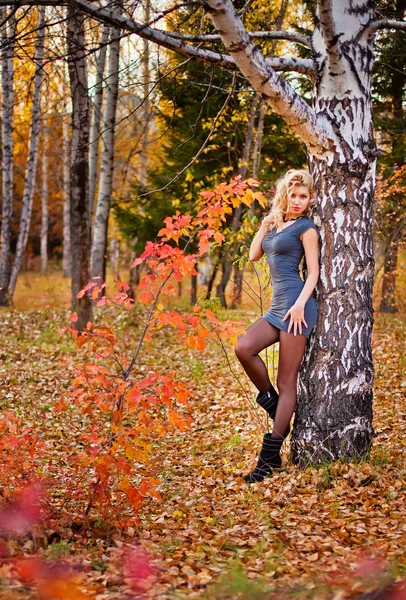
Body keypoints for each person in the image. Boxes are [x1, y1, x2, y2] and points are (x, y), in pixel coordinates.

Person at [235, 169, 319, 483]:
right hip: (277, 307)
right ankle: (270, 401)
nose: (299, 201)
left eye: (304, 196)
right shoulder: (274, 224)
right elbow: (255, 255)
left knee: (288, 382)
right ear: (285, 195)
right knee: (244, 348)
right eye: (294, 195)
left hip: (298, 308)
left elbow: (313, 273)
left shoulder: (307, 228)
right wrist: (265, 223)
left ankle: (269, 456)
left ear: (310, 199)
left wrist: (300, 304)